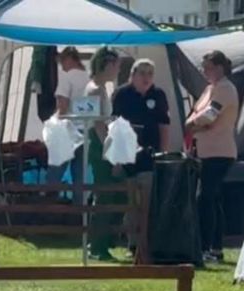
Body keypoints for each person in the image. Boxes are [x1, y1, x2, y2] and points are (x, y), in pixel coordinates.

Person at [111, 58, 170, 253]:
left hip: (150, 155)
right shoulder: (122, 94)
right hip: (127, 154)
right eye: (142, 73)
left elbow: (164, 126)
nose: (146, 78)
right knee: (131, 200)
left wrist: (164, 153)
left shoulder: (158, 95)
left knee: (147, 198)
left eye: (150, 74)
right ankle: (132, 241)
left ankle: (145, 241)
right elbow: (115, 125)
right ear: (133, 75)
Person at [186, 50, 238, 264]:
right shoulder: (210, 89)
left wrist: (192, 125)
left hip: (220, 151)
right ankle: (215, 247)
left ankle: (207, 246)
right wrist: (194, 123)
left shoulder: (225, 89)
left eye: (207, 68)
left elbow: (209, 116)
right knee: (212, 199)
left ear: (219, 68)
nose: (204, 72)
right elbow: (197, 113)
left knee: (205, 198)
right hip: (205, 150)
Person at [85, 46, 122, 261]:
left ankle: (100, 240)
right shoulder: (95, 90)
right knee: (104, 194)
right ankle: (97, 245)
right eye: (116, 65)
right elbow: (98, 125)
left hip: (100, 141)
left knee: (105, 193)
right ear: (107, 65)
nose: (117, 70)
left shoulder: (100, 88)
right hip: (99, 144)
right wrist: (109, 149)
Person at [47, 46, 87, 186]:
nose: (62, 67)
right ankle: (79, 206)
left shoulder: (67, 77)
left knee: (55, 172)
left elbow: (62, 108)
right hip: (87, 130)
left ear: (68, 59)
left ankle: (49, 204)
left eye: (62, 62)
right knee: (80, 177)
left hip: (69, 131)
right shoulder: (90, 79)